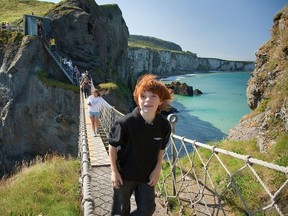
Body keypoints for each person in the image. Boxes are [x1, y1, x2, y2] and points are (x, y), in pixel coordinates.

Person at [108, 74, 173, 215]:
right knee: (120, 211)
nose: (148, 100)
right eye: (143, 96)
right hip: (123, 175)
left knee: (148, 209)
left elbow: (161, 148)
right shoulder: (125, 123)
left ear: (161, 100)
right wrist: (114, 171)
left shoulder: (164, 126)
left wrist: (157, 169)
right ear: (137, 99)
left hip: (147, 176)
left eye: (153, 96)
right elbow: (113, 146)